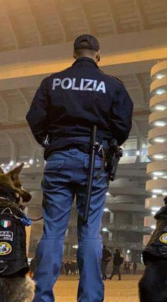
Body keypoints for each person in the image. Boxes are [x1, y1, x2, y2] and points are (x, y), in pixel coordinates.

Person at [27, 34, 134, 302]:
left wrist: (50, 141)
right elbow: (123, 125)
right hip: (94, 161)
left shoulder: (52, 82)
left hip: (59, 159)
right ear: (98, 54)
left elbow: (35, 118)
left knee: (53, 230)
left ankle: (41, 296)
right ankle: (90, 298)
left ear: (74, 54)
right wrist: (106, 143)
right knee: (90, 231)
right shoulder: (112, 85)